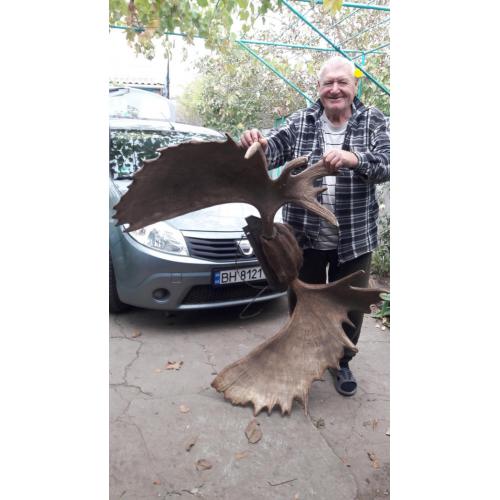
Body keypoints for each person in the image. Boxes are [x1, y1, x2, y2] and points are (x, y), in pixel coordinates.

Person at [240, 55, 390, 397]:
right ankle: (303, 359)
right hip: (304, 237)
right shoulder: (301, 121)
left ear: (355, 86)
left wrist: (355, 159)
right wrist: (257, 144)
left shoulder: (373, 120)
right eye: (328, 83)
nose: (335, 89)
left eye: (342, 82)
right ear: (318, 88)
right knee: (301, 302)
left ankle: (341, 361)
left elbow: (387, 163)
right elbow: (272, 150)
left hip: (354, 237)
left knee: (349, 305)